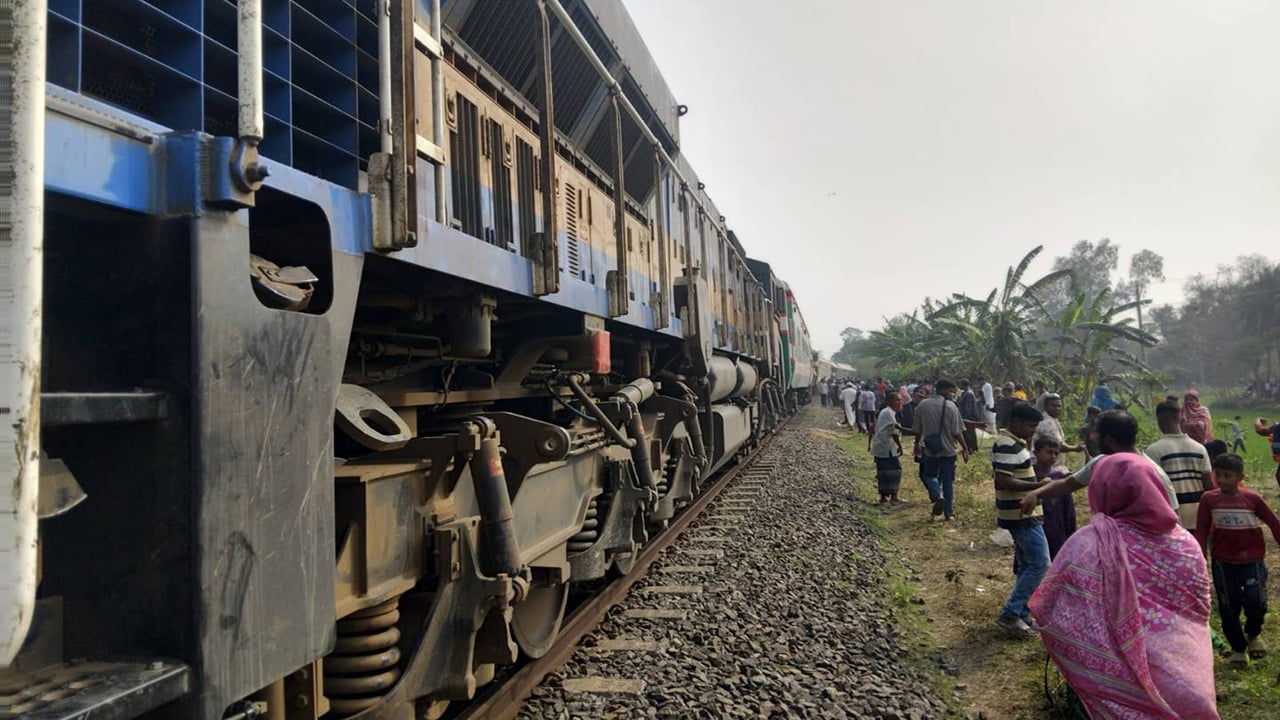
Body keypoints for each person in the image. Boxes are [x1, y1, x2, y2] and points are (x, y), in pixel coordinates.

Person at [1030, 454, 1218, 719]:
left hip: (1120, 680)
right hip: (1186, 676)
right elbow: (1199, 608)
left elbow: (1050, 604)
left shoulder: (1088, 543)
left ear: (1101, 490)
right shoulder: (1185, 543)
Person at [1196, 453, 1280, 667]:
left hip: (1252, 561)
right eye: (1219, 475)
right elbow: (1202, 529)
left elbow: (1273, 522)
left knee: (1257, 602)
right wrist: (1199, 557)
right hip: (1224, 563)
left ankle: (1253, 634)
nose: (1222, 480)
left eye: (1228, 475)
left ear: (1240, 476)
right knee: (1228, 606)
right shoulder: (1209, 499)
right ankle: (1238, 648)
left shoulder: (1252, 499)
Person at [1020, 410, 1180, 515]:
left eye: (1097, 434)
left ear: (1109, 439)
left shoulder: (1151, 471)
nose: (1094, 438)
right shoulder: (1101, 463)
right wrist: (1036, 493)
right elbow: (1067, 484)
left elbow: (1171, 515)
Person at [992, 402, 1049, 638]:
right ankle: (1011, 613)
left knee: (1028, 565)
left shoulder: (1016, 444)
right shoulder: (1006, 444)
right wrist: (1039, 486)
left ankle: (1023, 612)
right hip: (1020, 514)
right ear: (1016, 422)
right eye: (1030, 426)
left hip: (1025, 513)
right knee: (1040, 563)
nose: (1032, 431)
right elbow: (1003, 481)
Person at [1147, 401, 1214, 531]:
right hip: (1198, 515)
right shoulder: (1200, 448)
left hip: (1172, 517)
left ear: (1159, 421)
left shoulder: (1153, 451)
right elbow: (1208, 485)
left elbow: (1154, 488)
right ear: (1180, 419)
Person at [912, 379, 969, 520]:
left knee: (928, 475)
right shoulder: (951, 406)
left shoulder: (922, 405)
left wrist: (916, 444)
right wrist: (965, 447)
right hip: (948, 449)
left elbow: (917, 429)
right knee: (948, 481)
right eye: (951, 391)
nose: (952, 394)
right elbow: (957, 431)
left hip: (931, 449)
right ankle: (948, 514)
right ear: (944, 390)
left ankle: (937, 494)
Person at [1033, 438, 1076, 558]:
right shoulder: (1029, 476)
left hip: (1057, 529)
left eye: (1056, 453)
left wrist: (1071, 535)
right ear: (1036, 453)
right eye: (1049, 452)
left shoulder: (1060, 479)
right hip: (1035, 528)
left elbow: (1069, 511)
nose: (1053, 456)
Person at [870, 393, 905, 504]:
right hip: (887, 446)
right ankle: (893, 496)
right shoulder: (889, 413)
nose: (900, 403)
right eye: (897, 400)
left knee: (883, 472)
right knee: (894, 471)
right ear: (890, 401)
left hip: (882, 446)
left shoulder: (886, 412)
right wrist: (900, 446)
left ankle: (884, 497)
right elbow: (894, 432)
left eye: (900, 400)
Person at [1032, 393, 1084, 468]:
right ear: (1046, 406)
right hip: (1046, 466)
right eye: (1053, 406)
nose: (1057, 408)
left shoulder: (1052, 420)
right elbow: (1058, 446)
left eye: (1059, 406)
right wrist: (1075, 448)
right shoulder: (1048, 423)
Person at [1254, 417, 1280, 489]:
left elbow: (1261, 431)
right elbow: (1262, 431)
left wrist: (1258, 420)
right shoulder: (1276, 427)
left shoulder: (1277, 427)